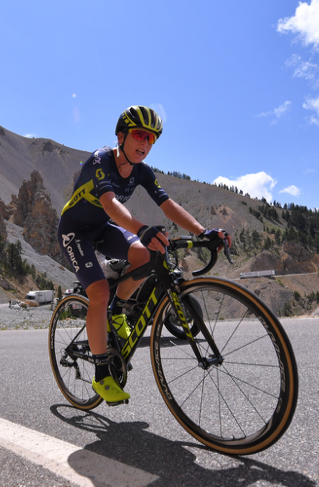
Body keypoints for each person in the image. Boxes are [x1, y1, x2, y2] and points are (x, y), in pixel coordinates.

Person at [56, 106, 231, 404]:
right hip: (75, 231)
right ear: (121, 136)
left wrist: (203, 232)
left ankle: (120, 308)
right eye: (139, 136)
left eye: (152, 140)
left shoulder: (142, 172)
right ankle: (101, 375)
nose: (146, 145)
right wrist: (141, 228)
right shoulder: (101, 159)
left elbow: (168, 205)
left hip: (102, 228)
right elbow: (110, 203)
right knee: (97, 292)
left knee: (146, 256)